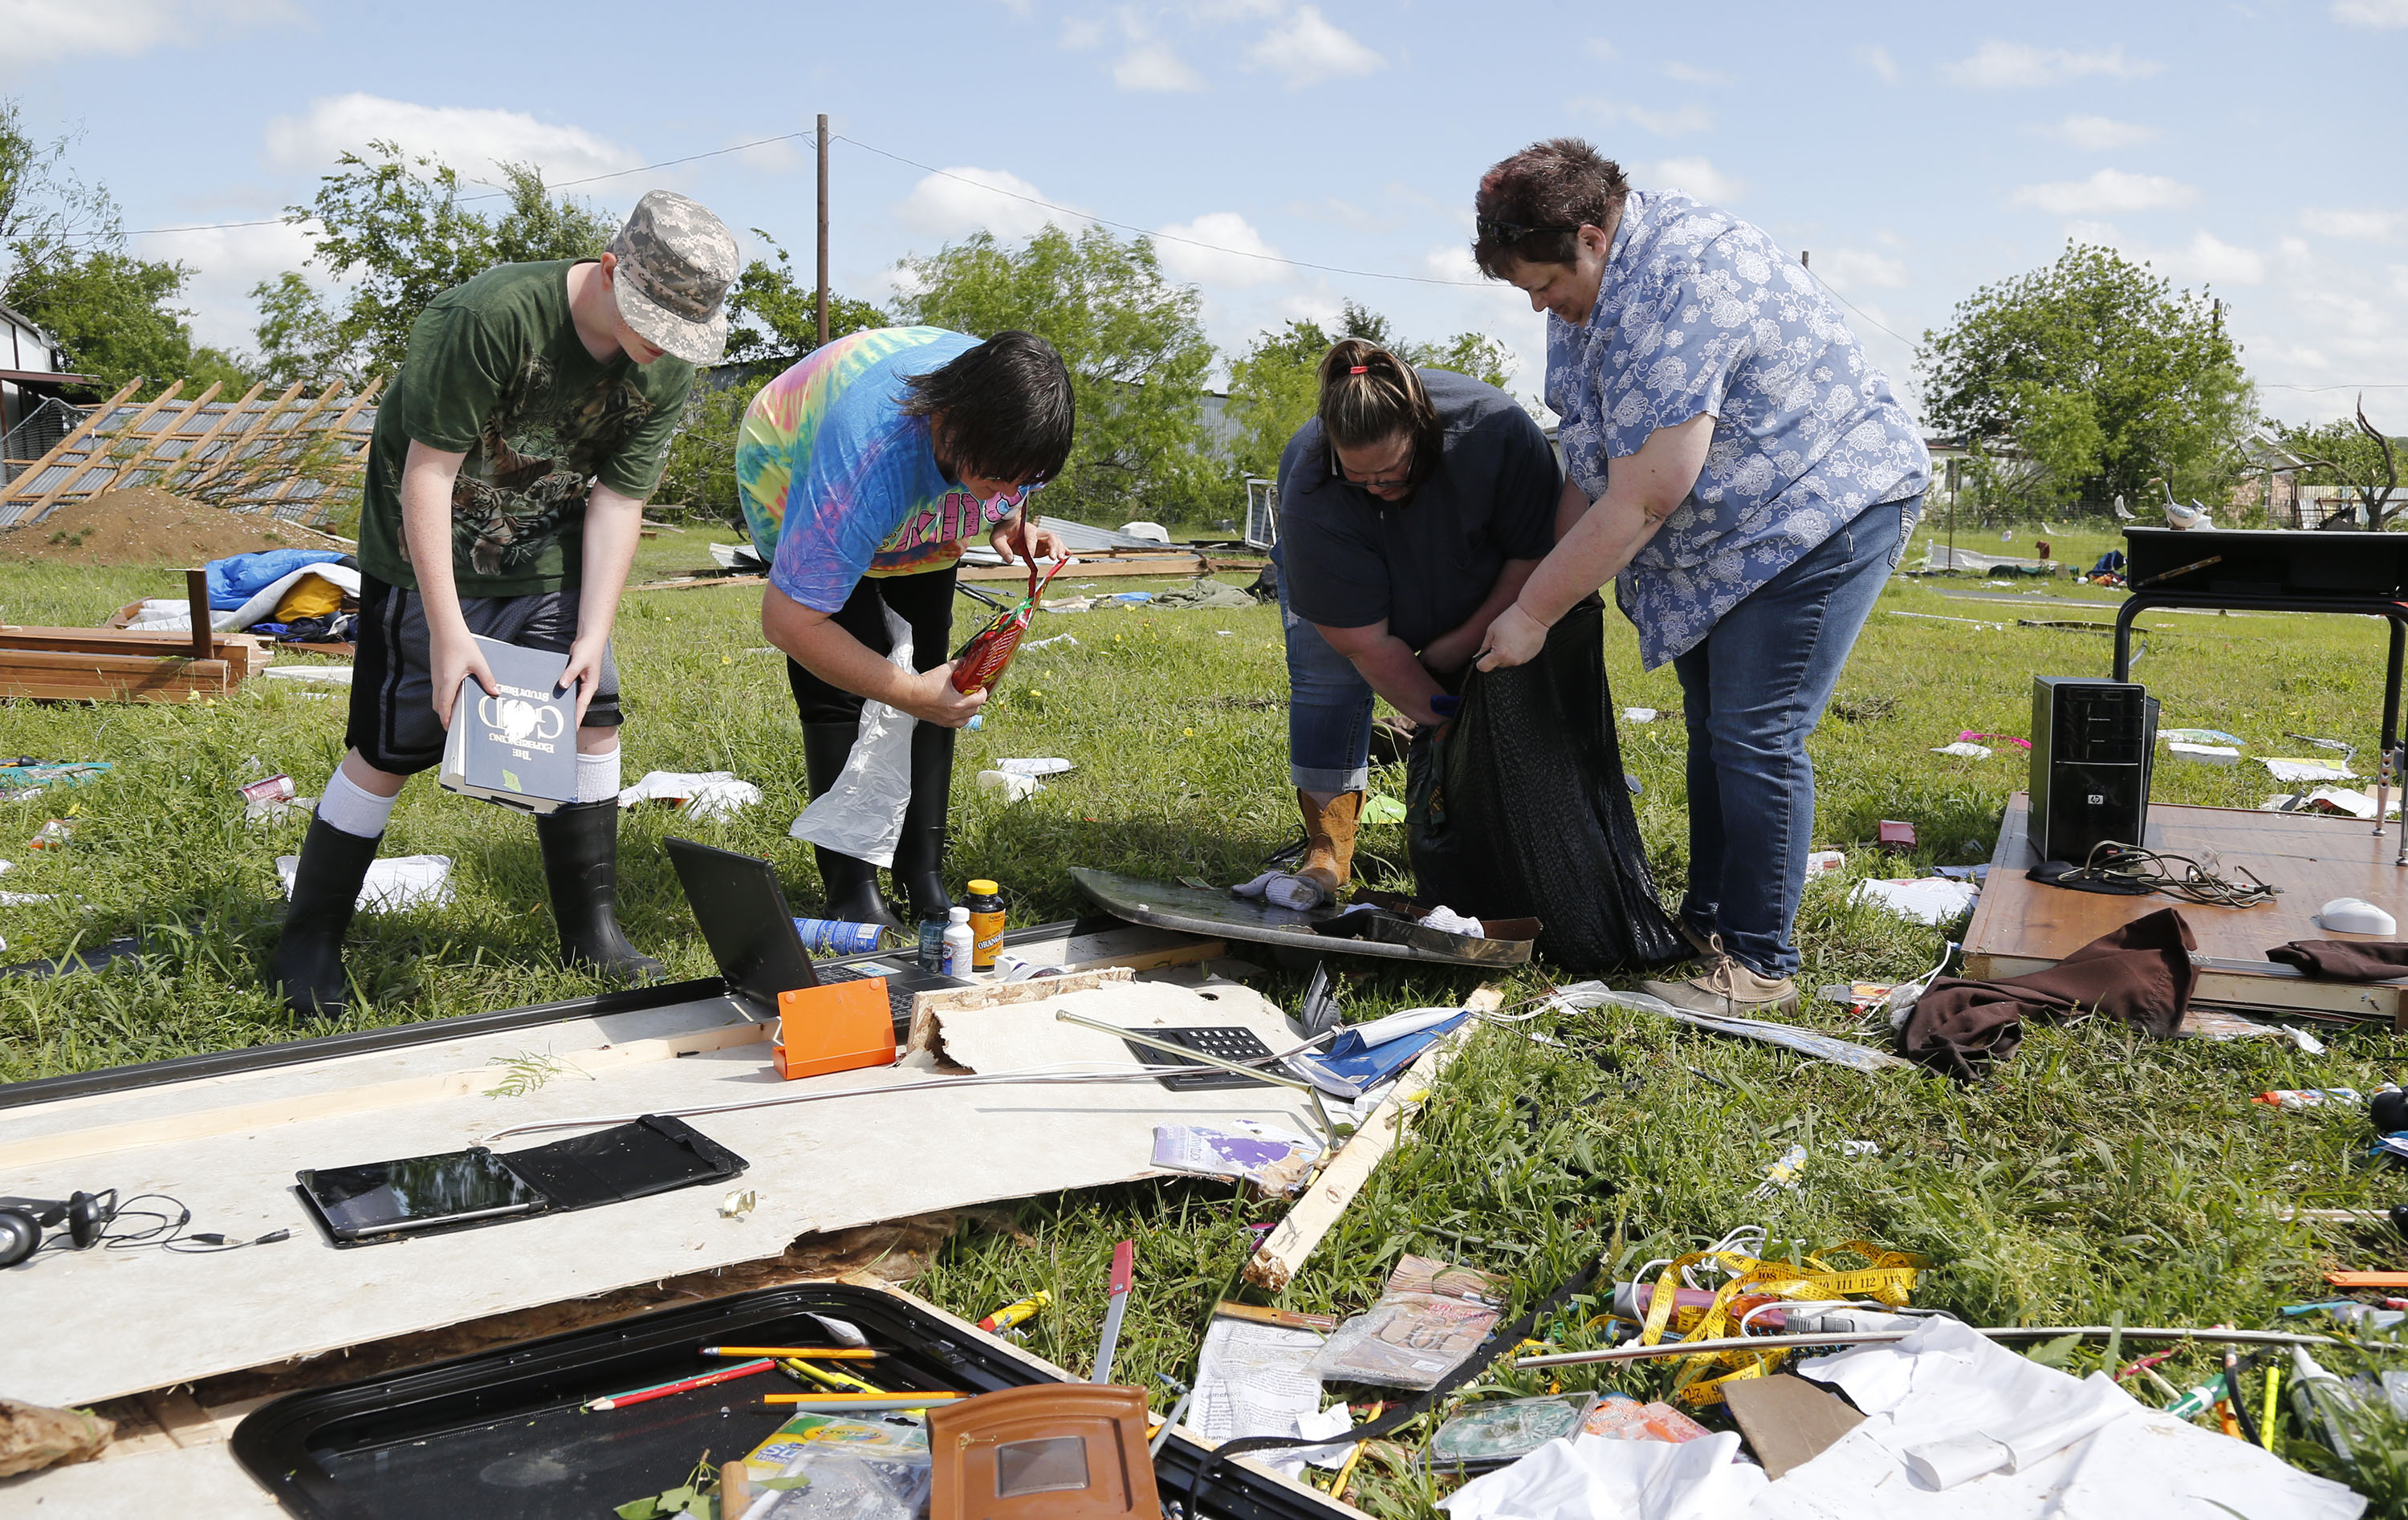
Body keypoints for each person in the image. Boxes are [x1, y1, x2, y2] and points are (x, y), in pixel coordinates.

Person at [1469, 138, 1930, 1016]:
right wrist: (1532, 593)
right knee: (1714, 725)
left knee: (1756, 730)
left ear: (1591, 237)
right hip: (1729, 533)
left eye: (1542, 282)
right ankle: (1711, 925)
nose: (1538, 306)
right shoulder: (1592, 302)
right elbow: (1592, 469)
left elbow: (1646, 496)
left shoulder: (1688, 279)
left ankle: (1758, 964)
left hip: (1820, 506)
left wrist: (1535, 613)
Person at [269, 189, 739, 1018]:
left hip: (546, 558)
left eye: (678, 336)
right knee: (389, 749)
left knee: (593, 714)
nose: (661, 349)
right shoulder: (490, 320)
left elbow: (619, 503)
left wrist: (594, 630)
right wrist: (450, 634)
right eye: (652, 324)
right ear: (610, 270)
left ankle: (590, 930)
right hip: (427, 562)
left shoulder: (662, 368)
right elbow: (427, 474)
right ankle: (306, 942)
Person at [739, 327, 1073, 930]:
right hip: (792, 454)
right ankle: (850, 888)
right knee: (845, 686)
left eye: (1022, 480)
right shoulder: (868, 456)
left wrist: (1010, 522)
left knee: (938, 679)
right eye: (999, 477)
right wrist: (908, 693)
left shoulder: (1021, 423)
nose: (1011, 491)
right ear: (952, 421)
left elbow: (1011, 487)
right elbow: (790, 623)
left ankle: (922, 875)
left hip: (914, 471)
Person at [1271, 338, 1561, 901]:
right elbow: (1362, 645)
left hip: (1478, 581)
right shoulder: (1311, 480)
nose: (1379, 487)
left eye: (1393, 470)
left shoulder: (1494, 431)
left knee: (1505, 678)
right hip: (1357, 605)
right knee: (1324, 684)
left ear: (1423, 431)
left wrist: (1456, 649)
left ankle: (1504, 832)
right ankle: (1328, 848)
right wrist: (1439, 716)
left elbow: (1532, 558)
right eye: (1361, 479)